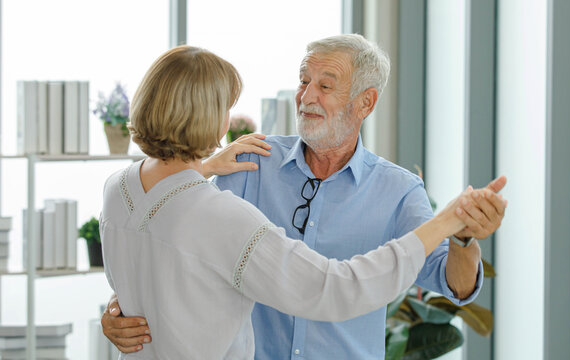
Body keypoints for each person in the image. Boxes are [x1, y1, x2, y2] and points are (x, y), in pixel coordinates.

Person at [102, 35, 507, 359]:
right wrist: (121, 307)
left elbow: (453, 282)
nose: (306, 95)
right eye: (303, 81)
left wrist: (462, 235)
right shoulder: (250, 161)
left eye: (325, 85)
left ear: (366, 102)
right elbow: (178, 247)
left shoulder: (399, 190)